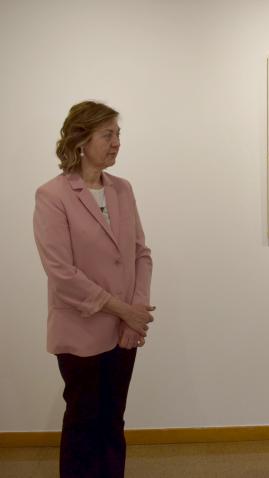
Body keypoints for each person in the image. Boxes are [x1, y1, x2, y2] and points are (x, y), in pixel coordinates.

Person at [33, 101, 154, 478]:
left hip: (124, 333)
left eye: (119, 134)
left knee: (113, 422)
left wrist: (137, 313)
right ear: (81, 140)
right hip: (80, 334)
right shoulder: (52, 196)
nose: (117, 142)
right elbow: (61, 273)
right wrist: (124, 309)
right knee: (84, 424)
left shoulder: (123, 190)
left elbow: (140, 254)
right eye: (108, 135)